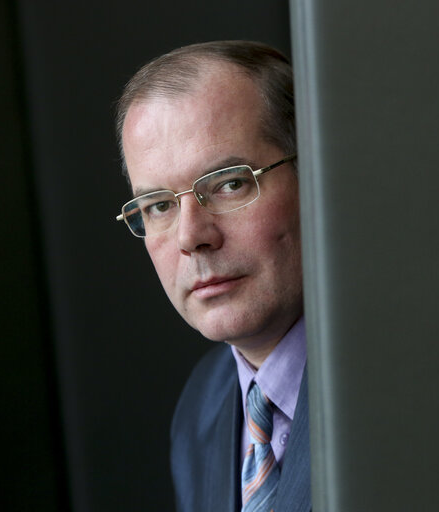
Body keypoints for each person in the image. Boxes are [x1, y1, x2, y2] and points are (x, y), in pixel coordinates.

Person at [114, 41, 310, 512]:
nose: (191, 237)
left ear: (315, 173)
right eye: (159, 205)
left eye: (229, 184)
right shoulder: (202, 404)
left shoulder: (408, 386)